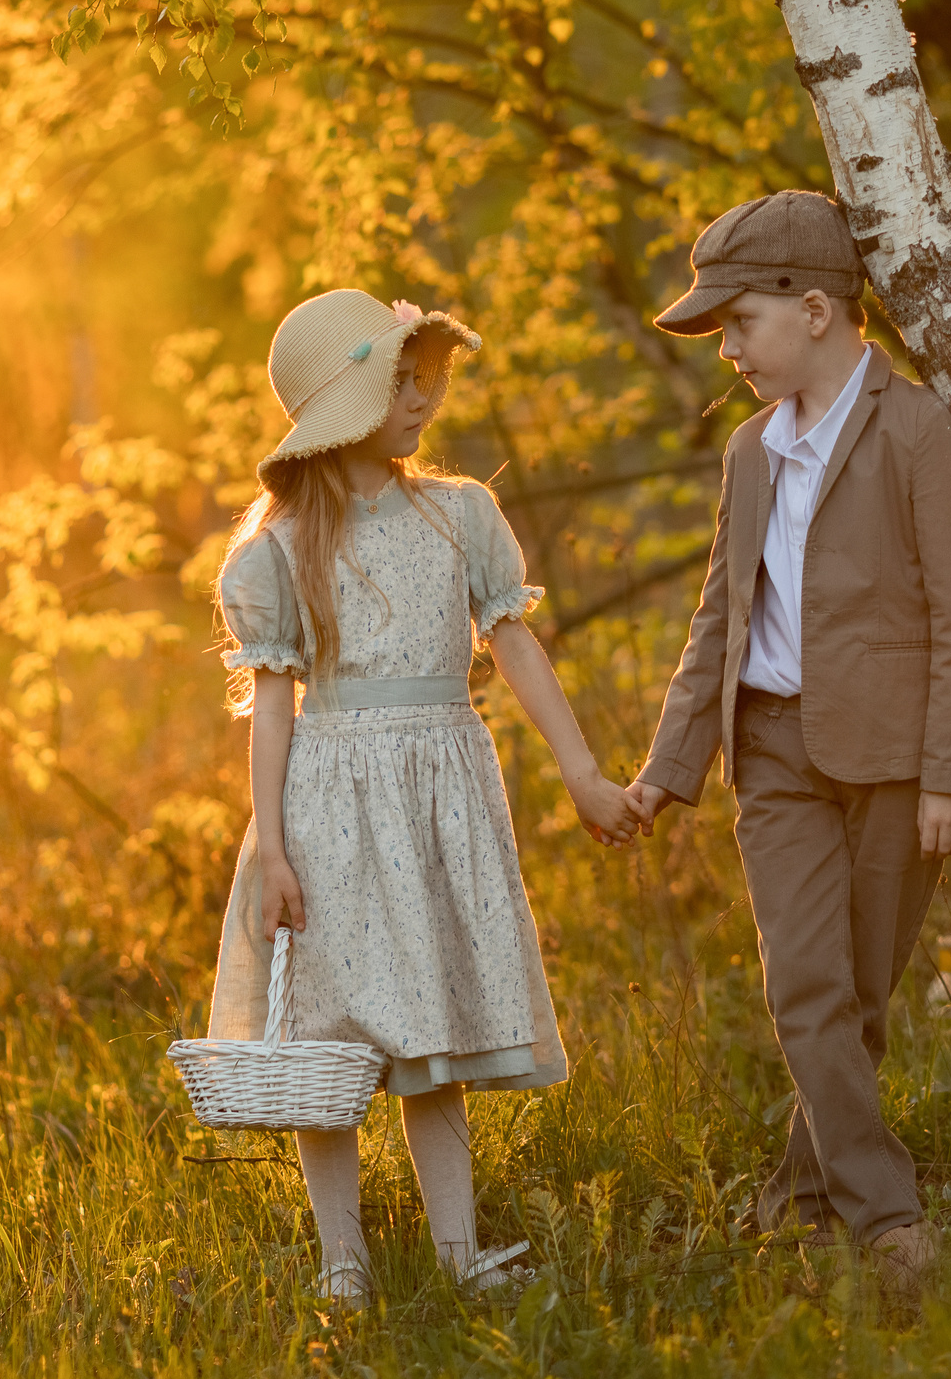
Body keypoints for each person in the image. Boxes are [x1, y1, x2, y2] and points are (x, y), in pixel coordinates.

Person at [207, 289, 642, 1309]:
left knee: (431, 1013)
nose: (424, 397)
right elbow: (272, 708)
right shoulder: (275, 549)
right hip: (331, 799)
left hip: (441, 781)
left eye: (426, 377)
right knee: (332, 1026)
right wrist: (273, 847)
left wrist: (582, 770)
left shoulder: (460, 515)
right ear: (348, 400)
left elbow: (517, 647)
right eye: (401, 380)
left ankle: (457, 1247)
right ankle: (342, 1259)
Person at [622, 191, 951, 1297]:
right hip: (774, 752)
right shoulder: (749, 451)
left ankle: (796, 1198)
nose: (728, 349)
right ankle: (888, 1218)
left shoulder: (917, 427)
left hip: (893, 757)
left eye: (738, 323)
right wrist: (666, 767)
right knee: (804, 984)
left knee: (862, 999)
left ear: (817, 308)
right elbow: (717, 616)